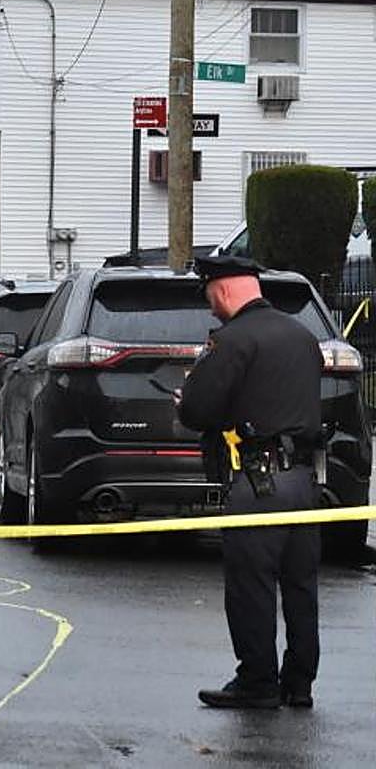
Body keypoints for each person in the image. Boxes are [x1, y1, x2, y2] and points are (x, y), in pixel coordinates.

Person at [176, 254, 323, 710]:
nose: (210, 306)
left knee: (251, 584)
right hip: (305, 481)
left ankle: (257, 680)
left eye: (209, 295)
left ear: (221, 289)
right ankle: (299, 683)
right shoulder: (303, 337)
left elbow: (198, 410)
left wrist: (185, 400)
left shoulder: (232, 341)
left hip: (259, 483)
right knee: (300, 585)